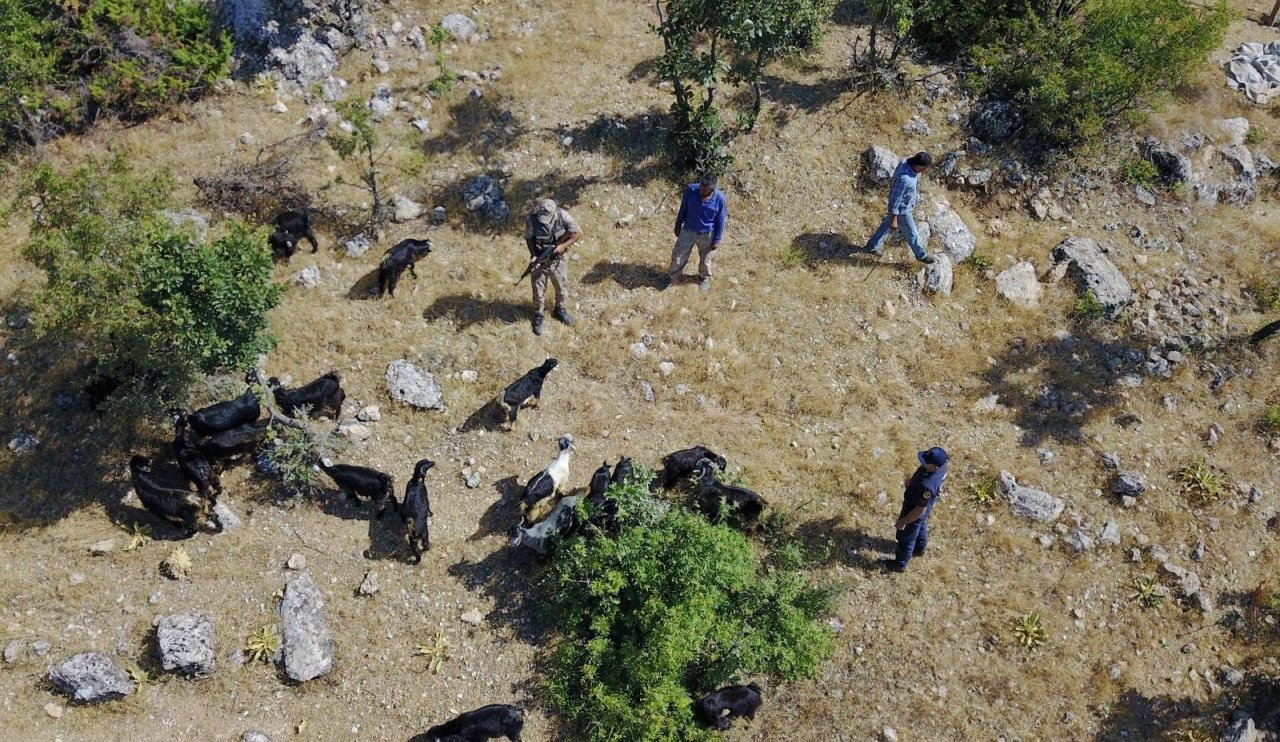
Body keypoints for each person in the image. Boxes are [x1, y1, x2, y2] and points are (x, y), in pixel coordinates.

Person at [882, 446, 949, 573]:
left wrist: (904, 521)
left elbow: (919, 511)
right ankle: (920, 548)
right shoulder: (941, 466)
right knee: (920, 525)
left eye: (926, 462)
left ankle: (899, 564)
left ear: (934, 467)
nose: (922, 463)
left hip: (913, 510)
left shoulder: (927, 487)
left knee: (906, 538)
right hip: (922, 508)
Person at [863, 151, 936, 264]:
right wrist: (894, 218)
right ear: (918, 166)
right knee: (912, 234)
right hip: (903, 211)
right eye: (925, 167)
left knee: (885, 227)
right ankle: (921, 255)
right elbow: (894, 200)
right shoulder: (905, 180)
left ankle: (871, 246)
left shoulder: (905, 162)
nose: (925, 170)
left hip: (903, 208)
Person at [523, 198, 583, 335]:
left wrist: (563, 245)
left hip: (558, 260)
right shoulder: (532, 218)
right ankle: (538, 314)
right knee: (538, 290)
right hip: (540, 258)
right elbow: (529, 238)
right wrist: (533, 255)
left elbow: (578, 232)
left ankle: (559, 309)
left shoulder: (563, 216)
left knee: (561, 287)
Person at [663, 175, 727, 292]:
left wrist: (717, 239)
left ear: (712, 189)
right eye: (701, 187)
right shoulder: (691, 190)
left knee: (706, 259)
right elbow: (683, 209)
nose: (701, 190)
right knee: (678, 255)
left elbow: (721, 220)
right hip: (688, 230)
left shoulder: (720, 199)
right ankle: (673, 279)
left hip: (707, 233)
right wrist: (678, 225)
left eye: (705, 190)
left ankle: (704, 278)